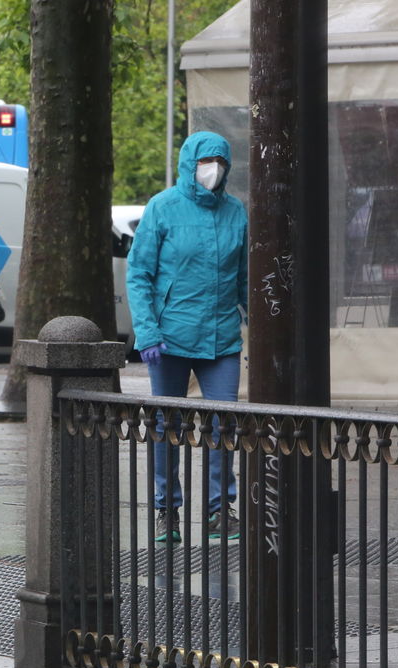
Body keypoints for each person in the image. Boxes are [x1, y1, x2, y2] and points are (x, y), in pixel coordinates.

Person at [126, 130, 247, 544]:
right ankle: (166, 512)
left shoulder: (236, 212)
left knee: (224, 423)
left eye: (220, 162)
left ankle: (220, 511)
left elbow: (245, 278)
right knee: (165, 425)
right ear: (188, 165)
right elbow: (139, 273)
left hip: (221, 338)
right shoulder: (162, 208)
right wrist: (147, 331)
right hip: (170, 337)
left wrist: (266, 324)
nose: (213, 170)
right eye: (204, 162)